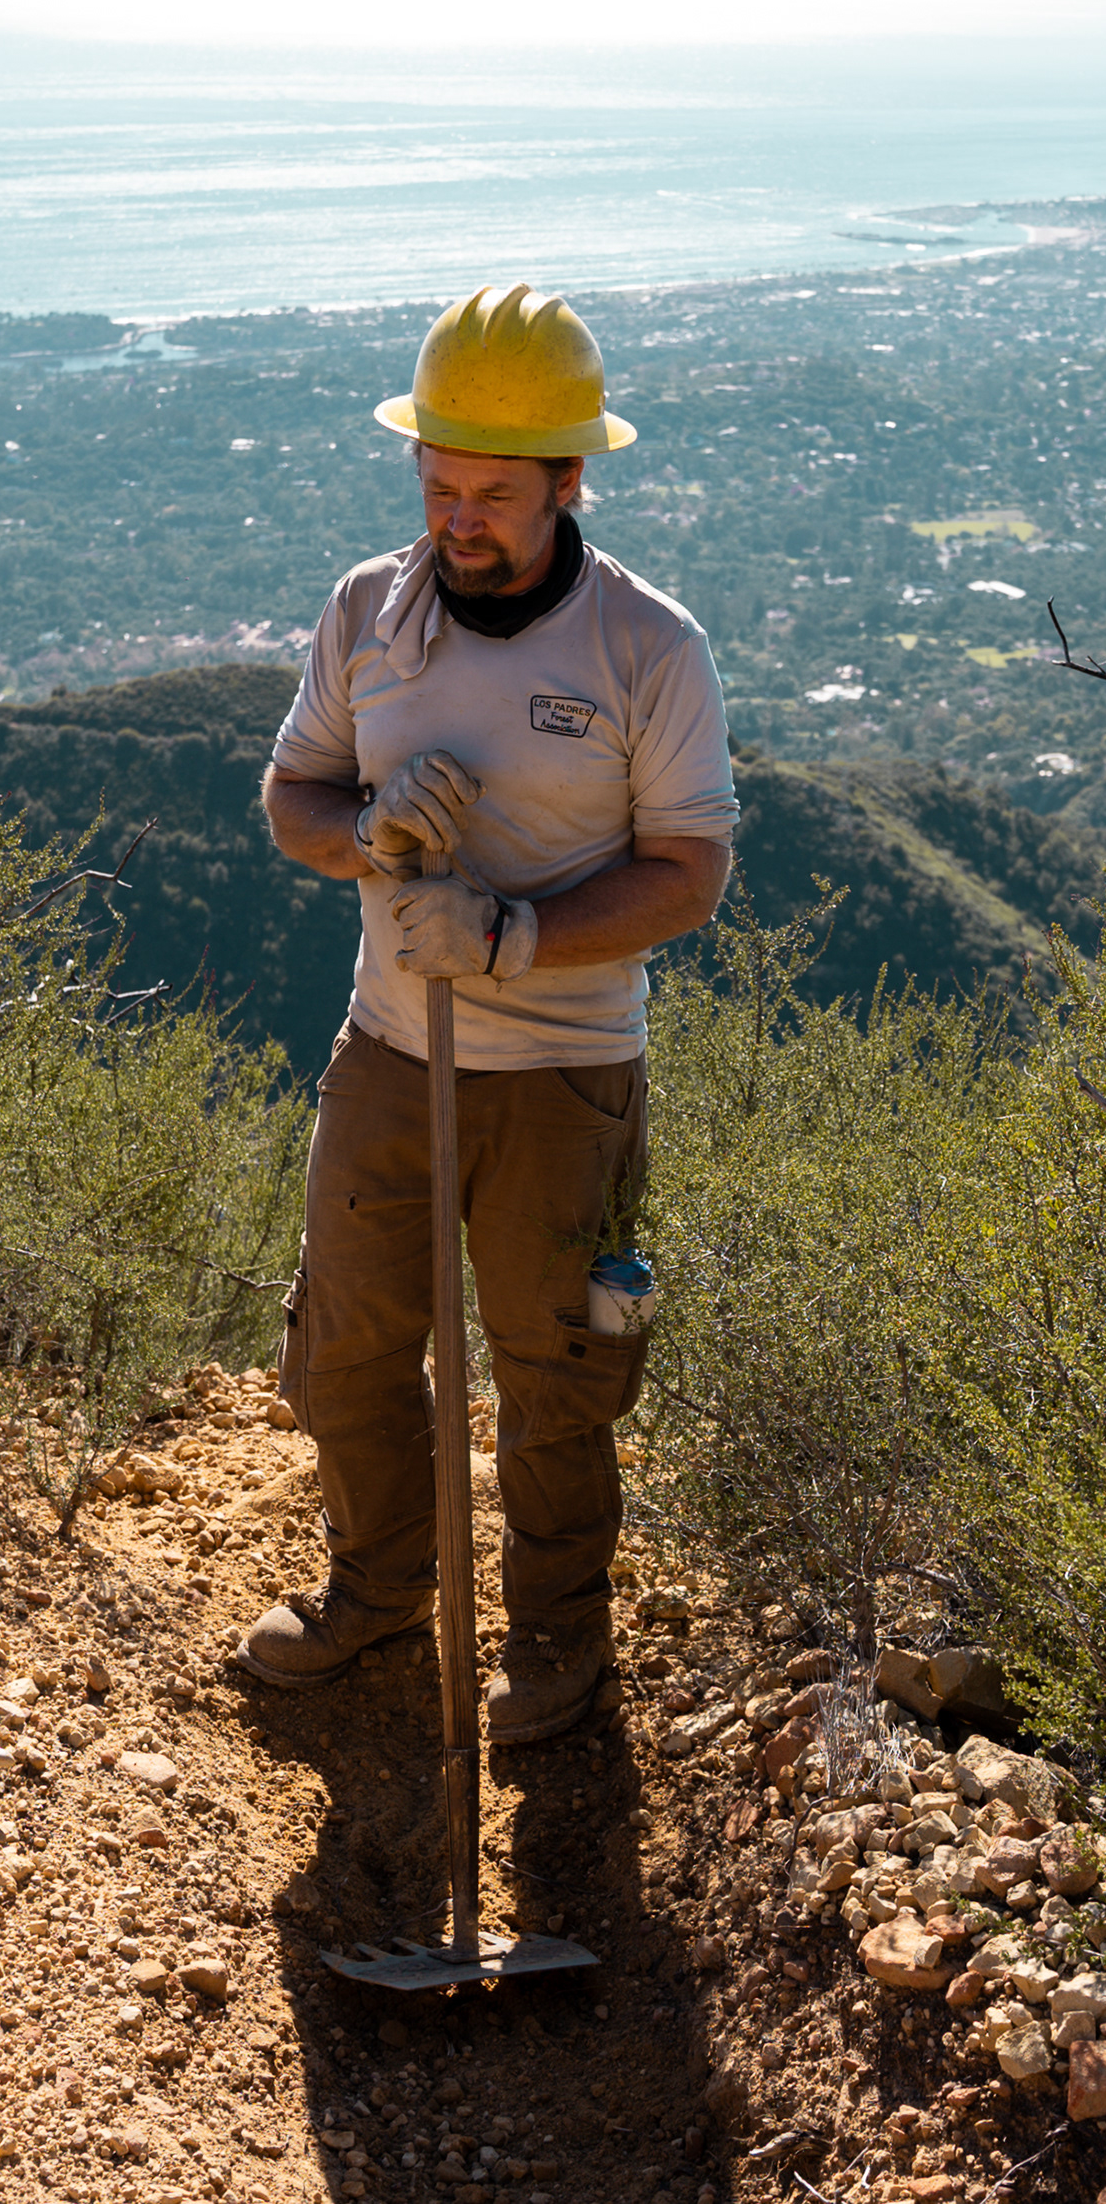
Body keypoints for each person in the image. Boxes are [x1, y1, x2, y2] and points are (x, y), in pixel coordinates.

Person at [235, 282, 737, 1743]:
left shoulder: (650, 648)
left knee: (557, 1370)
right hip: (386, 1048)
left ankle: (558, 1647)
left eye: (493, 495)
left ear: (570, 480)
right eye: (438, 484)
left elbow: (690, 874)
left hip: (567, 1072)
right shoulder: (365, 612)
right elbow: (292, 797)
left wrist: (513, 932)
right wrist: (372, 833)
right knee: (348, 1340)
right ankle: (379, 1585)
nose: (459, 519)